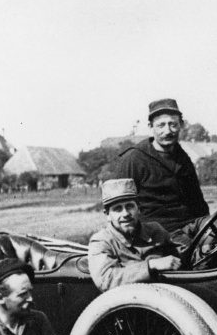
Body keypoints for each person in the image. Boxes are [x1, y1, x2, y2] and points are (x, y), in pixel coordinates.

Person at [116, 98, 209, 245]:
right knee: (199, 256)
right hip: (158, 231)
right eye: (161, 125)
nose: (168, 131)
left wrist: (208, 226)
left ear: (181, 125)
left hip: (192, 223)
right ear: (150, 126)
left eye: (173, 124)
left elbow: (198, 202)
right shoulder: (134, 159)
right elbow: (118, 204)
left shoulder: (183, 158)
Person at [87, 177, 183, 291]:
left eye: (129, 206)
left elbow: (180, 254)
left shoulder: (156, 230)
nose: (126, 213)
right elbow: (106, 280)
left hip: (167, 296)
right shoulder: (102, 241)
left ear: (139, 208)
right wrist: (150, 265)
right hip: (130, 305)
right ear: (107, 215)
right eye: (118, 209)